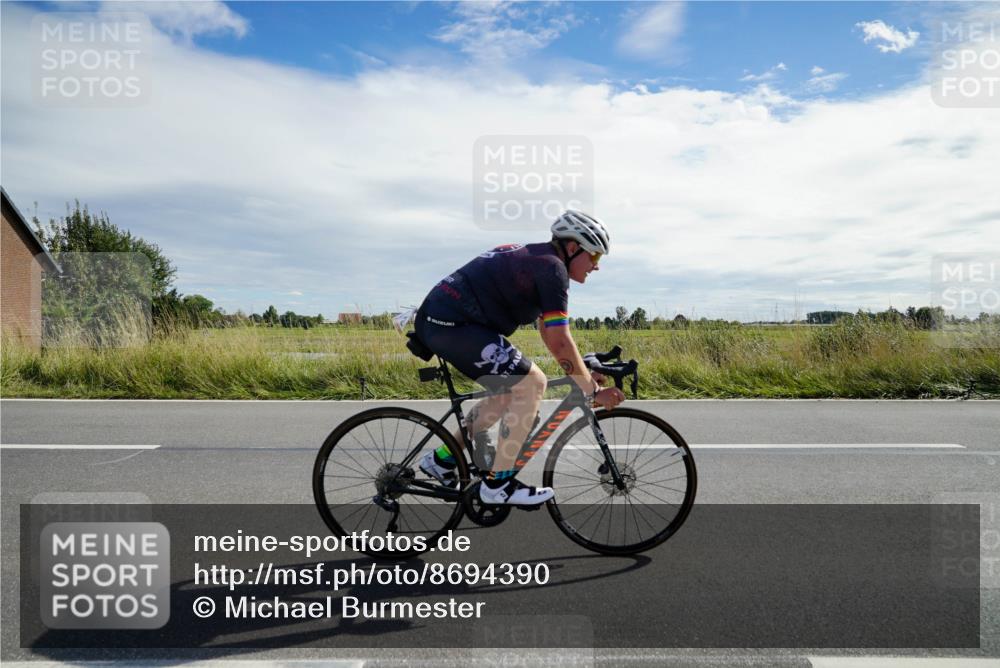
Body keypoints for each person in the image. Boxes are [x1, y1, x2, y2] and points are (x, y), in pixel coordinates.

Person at [412, 210, 625, 506]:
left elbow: (550, 332)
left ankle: (442, 460)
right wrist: (593, 391)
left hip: (445, 321)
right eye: (595, 256)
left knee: (509, 394)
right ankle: (497, 486)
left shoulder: (539, 260)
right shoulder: (551, 269)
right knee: (531, 384)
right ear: (574, 247)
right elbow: (558, 341)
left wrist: (582, 372)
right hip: (453, 325)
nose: (596, 266)